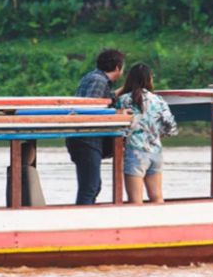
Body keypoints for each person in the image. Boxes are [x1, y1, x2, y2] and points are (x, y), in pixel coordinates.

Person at [67, 48, 124, 205]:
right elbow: (91, 108)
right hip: (86, 138)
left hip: (84, 138)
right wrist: (117, 113)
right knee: (90, 187)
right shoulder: (98, 81)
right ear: (118, 67)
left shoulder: (95, 78)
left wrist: (120, 92)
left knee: (94, 186)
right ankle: (83, 222)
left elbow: (102, 100)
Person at [116, 63, 178, 204]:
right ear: (149, 79)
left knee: (136, 201)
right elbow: (171, 128)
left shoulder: (123, 100)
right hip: (156, 152)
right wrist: (155, 133)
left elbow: (119, 128)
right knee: (157, 197)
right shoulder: (159, 100)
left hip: (135, 152)